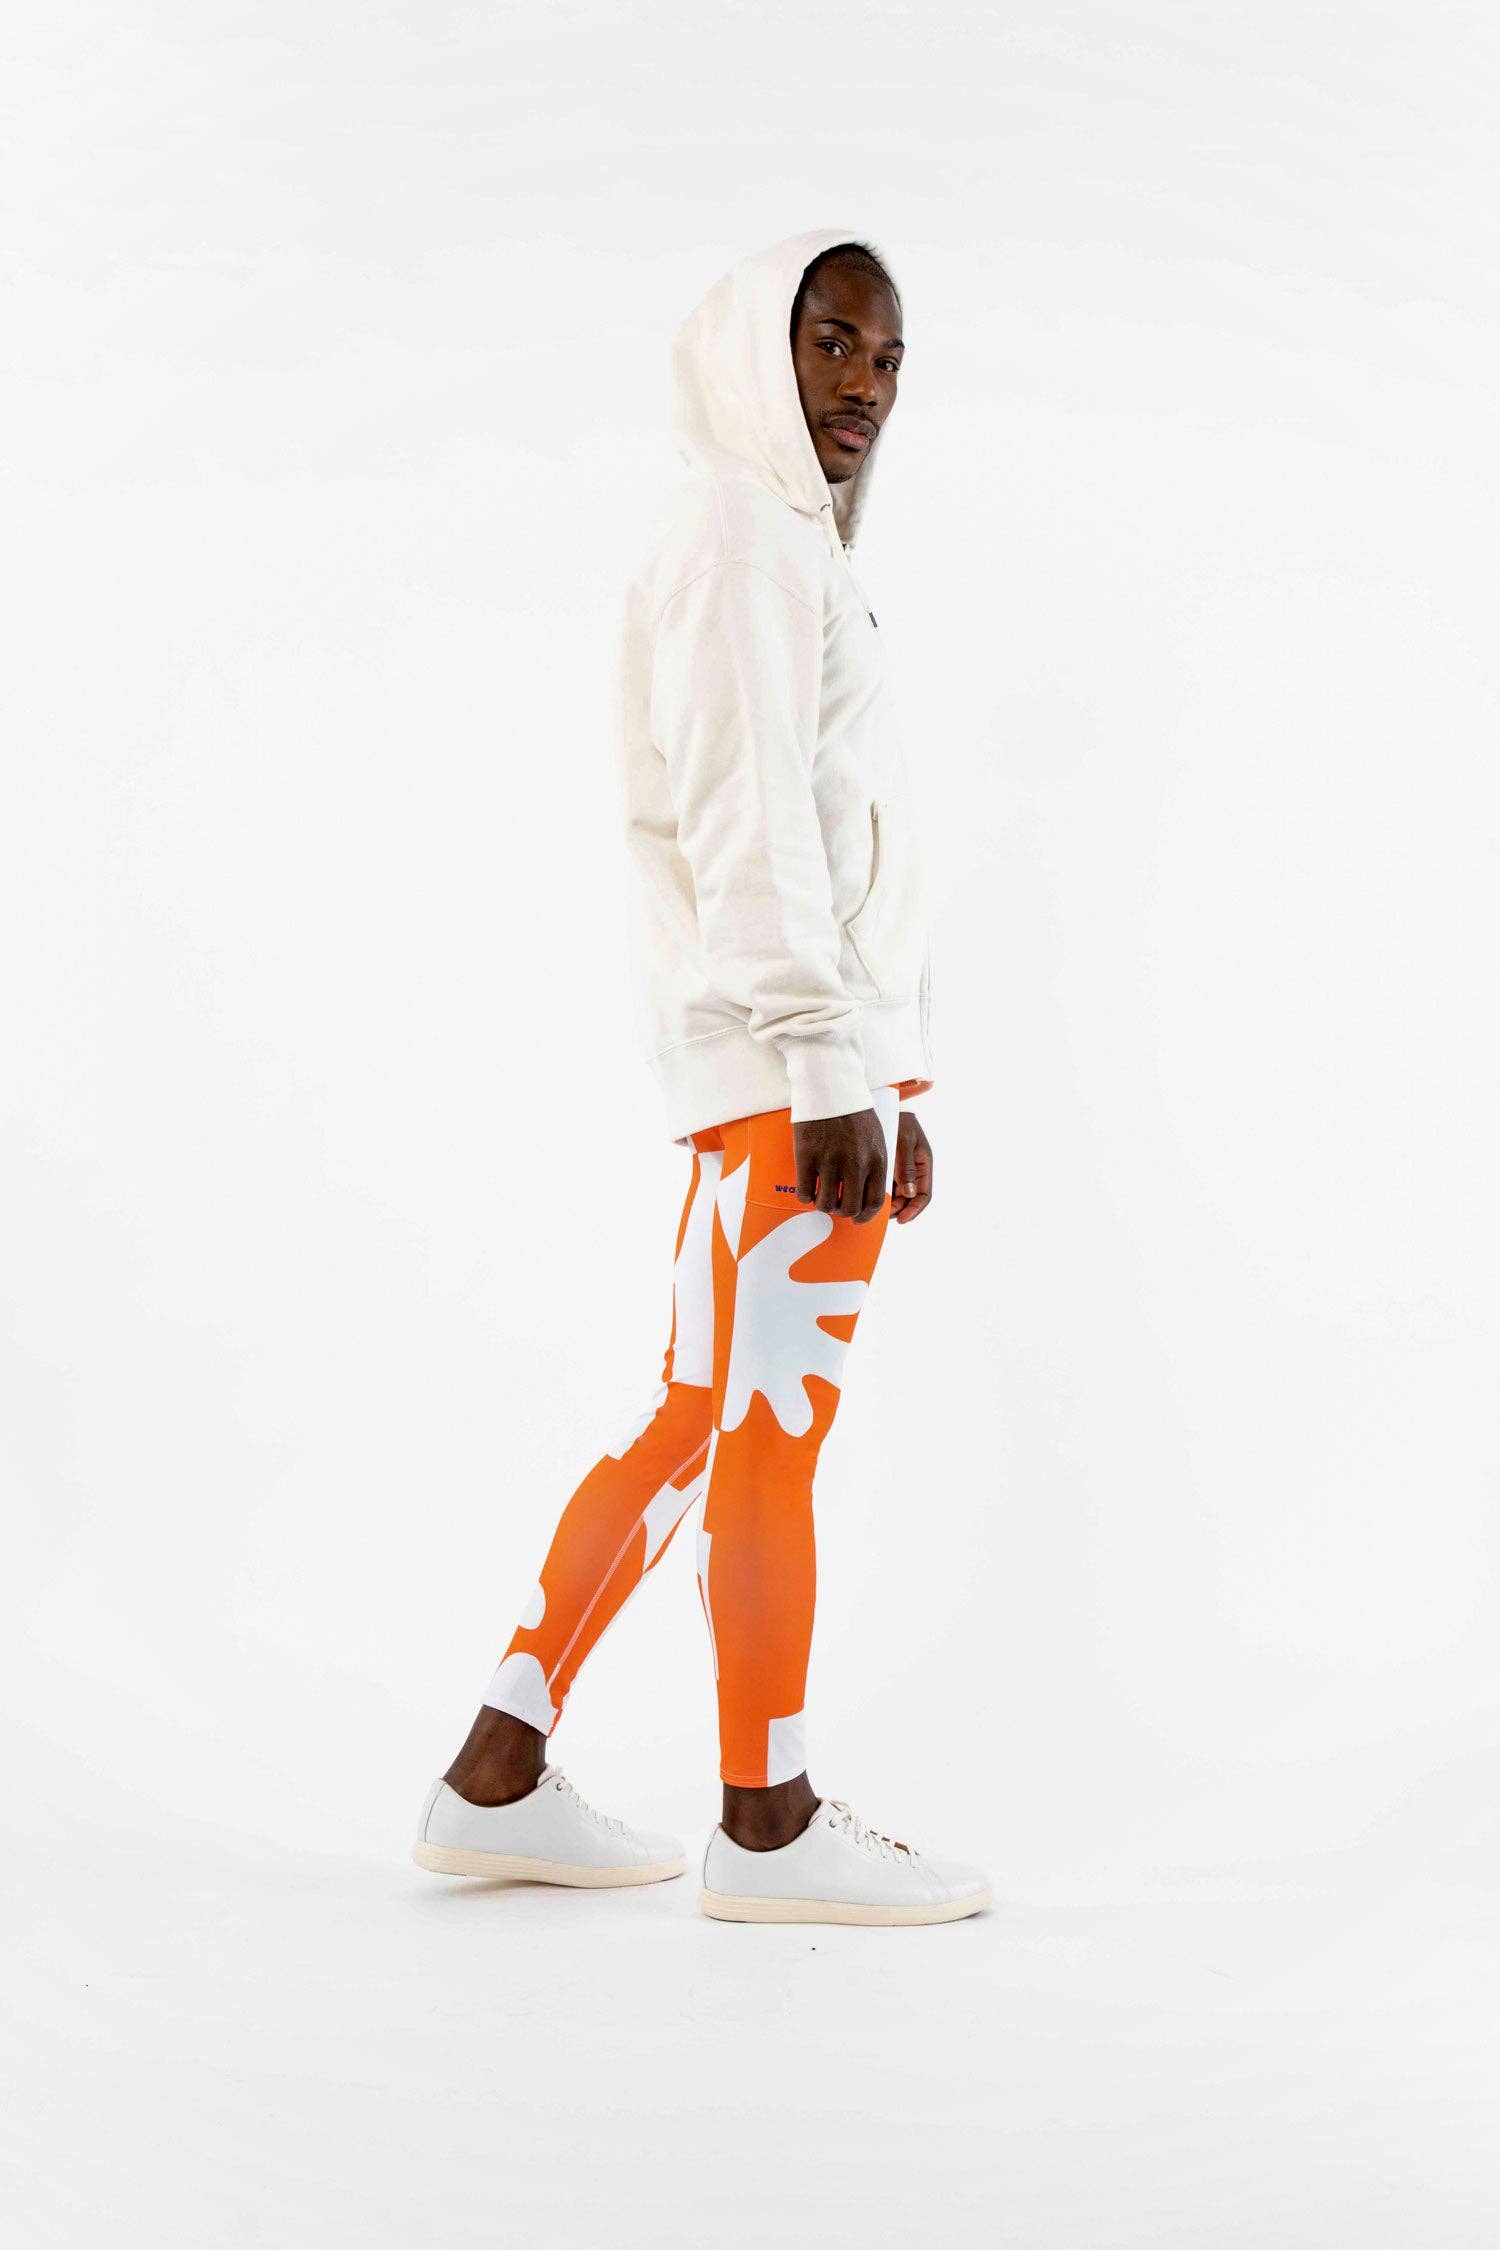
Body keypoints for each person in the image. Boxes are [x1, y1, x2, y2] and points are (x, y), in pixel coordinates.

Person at [412, 228, 991, 1927]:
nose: (866, 384)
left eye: (888, 357)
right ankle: (769, 1820)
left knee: (695, 1415)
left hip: (778, 1068)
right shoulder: (746, 533)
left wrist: (887, 1072)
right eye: (833, 343)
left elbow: (819, 824)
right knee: (766, 1434)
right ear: (760, 349)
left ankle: (495, 1772)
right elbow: (751, 818)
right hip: (786, 1069)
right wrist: (831, 1061)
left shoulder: (761, 537)